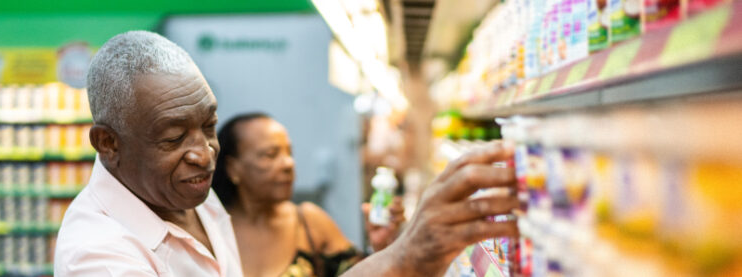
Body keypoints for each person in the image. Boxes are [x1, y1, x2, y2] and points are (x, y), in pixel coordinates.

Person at [54, 30, 519, 277]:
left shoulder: (185, 194)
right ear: (108, 143)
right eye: (174, 137)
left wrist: (395, 251)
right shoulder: (100, 256)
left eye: (209, 126)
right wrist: (406, 259)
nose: (203, 154)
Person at [211, 113, 405, 277]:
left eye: (289, 153)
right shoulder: (209, 232)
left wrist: (380, 247)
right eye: (270, 154)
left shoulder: (309, 223)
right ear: (232, 168)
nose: (288, 164)